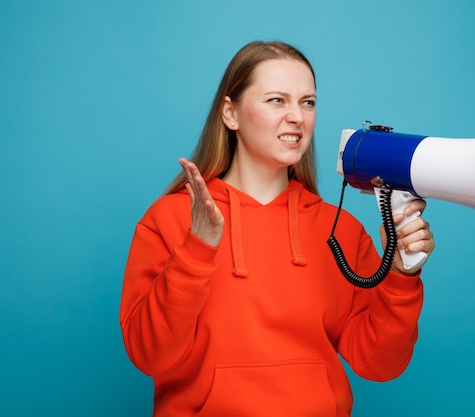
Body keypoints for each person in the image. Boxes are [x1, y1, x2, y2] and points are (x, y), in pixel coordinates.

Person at [120, 40, 435, 417]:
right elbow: (149, 354)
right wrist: (197, 248)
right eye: (276, 100)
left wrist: (400, 275)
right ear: (230, 113)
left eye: (307, 102)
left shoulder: (341, 231)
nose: (297, 117)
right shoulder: (170, 219)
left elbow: (379, 364)